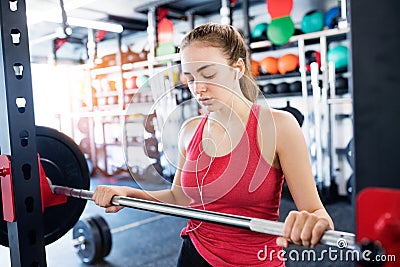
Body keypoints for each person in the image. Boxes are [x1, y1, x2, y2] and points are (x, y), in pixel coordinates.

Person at [93, 23, 334, 266]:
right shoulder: (190, 130)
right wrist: (126, 193)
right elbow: (180, 199)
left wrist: (315, 223)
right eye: (190, 78)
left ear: (238, 69)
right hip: (193, 255)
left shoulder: (279, 127)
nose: (198, 88)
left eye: (208, 75)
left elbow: (316, 211)